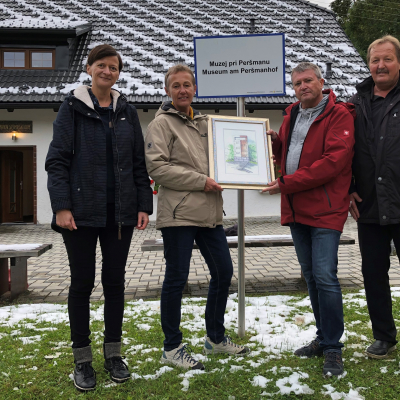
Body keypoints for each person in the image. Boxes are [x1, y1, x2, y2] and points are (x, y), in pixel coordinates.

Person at [45, 44, 153, 391]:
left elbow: (139, 162)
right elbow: (57, 161)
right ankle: (82, 360)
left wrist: (143, 204)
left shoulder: (127, 111)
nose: (108, 71)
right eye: (102, 65)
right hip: (79, 216)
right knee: (81, 285)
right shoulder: (71, 108)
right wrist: (61, 206)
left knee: (115, 284)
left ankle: (113, 355)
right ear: (89, 69)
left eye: (114, 67)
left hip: (118, 217)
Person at [145, 64, 250, 370]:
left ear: (195, 89)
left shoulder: (205, 123)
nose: (182, 90)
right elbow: (157, 168)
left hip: (209, 212)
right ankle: (172, 347)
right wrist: (200, 181)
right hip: (178, 214)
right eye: (176, 85)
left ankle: (215, 338)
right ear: (167, 91)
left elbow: (227, 154)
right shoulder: (161, 125)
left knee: (223, 272)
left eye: (187, 85)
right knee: (176, 279)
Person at [263, 62, 355, 376]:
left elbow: (332, 163)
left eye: (308, 80)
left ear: (321, 81)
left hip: (326, 210)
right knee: (312, 276)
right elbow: (289, 153)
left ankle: (333, 349)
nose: (303, 86)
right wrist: (273, 142)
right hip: (297, 208)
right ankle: (323, 338)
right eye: (298, 82)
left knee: (326, 276)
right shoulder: (292, 115)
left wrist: (285, 184)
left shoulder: (340, 115)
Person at [349, 35, 400, 359]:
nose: (380, 66)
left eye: (387, 59)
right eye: (375, 60)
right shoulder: (357, 102)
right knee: (373, 273)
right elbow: (346, 150)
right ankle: (384, 336)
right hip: (368, 203)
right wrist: (349, 185)